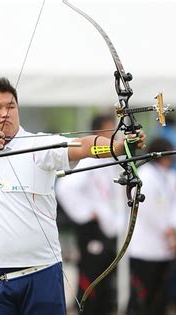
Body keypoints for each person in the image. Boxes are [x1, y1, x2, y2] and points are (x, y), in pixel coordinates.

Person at [0, 77, 146, 314]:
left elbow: (83, 145)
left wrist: (117, 146)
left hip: (42, 273)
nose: (5, 113)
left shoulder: (40, 145)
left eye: (11, 106)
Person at [55, 114, 125, 315]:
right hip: (93, 229)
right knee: (91, 279)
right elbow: (65, 188)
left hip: (109, 229)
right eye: (108, 131)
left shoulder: (111, 160)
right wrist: (87, 213)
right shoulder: (87, 160)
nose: (112, 135)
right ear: (97, 133)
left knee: (106, 283)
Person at [126, 138, 176, 315]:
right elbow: (146, 207)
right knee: (141, 297)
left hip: (166, 248)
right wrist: (165, 229)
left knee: (161, 298)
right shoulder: (145, 175)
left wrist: (175, 229)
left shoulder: (172, 176)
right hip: (145, 248)